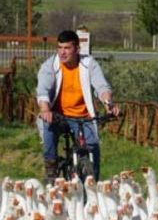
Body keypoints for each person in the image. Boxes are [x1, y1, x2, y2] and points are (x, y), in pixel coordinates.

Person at [34, 29, 117, 183]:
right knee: (49, 134)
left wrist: (108, 104)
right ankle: (51, 170)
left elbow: (102, 87)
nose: (62, 52)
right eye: (59, 48)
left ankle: (94, 187)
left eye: (67, 48)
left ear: (77, 49)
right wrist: (45, 110)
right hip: (58, 116)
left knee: (93, 148)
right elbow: (43, 91)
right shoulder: (50, 65)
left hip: (84, 117)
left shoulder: (89, 64)